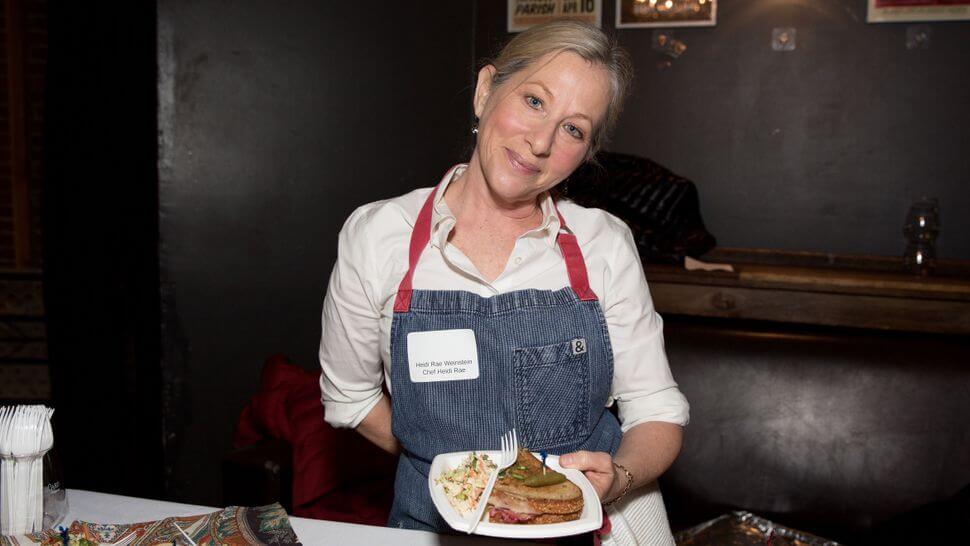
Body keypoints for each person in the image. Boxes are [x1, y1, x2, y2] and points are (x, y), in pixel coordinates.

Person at [318, 20, 689, 533]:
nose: (540, 142)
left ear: (586, 152)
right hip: (431, 527)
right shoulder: (379, 236)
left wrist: (619, 477)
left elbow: (656, 409)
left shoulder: (603, 244)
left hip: (579, 532)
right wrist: (442, 467)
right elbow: (350, 397)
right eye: (534, 101)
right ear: (485, 90)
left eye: (573, 129)